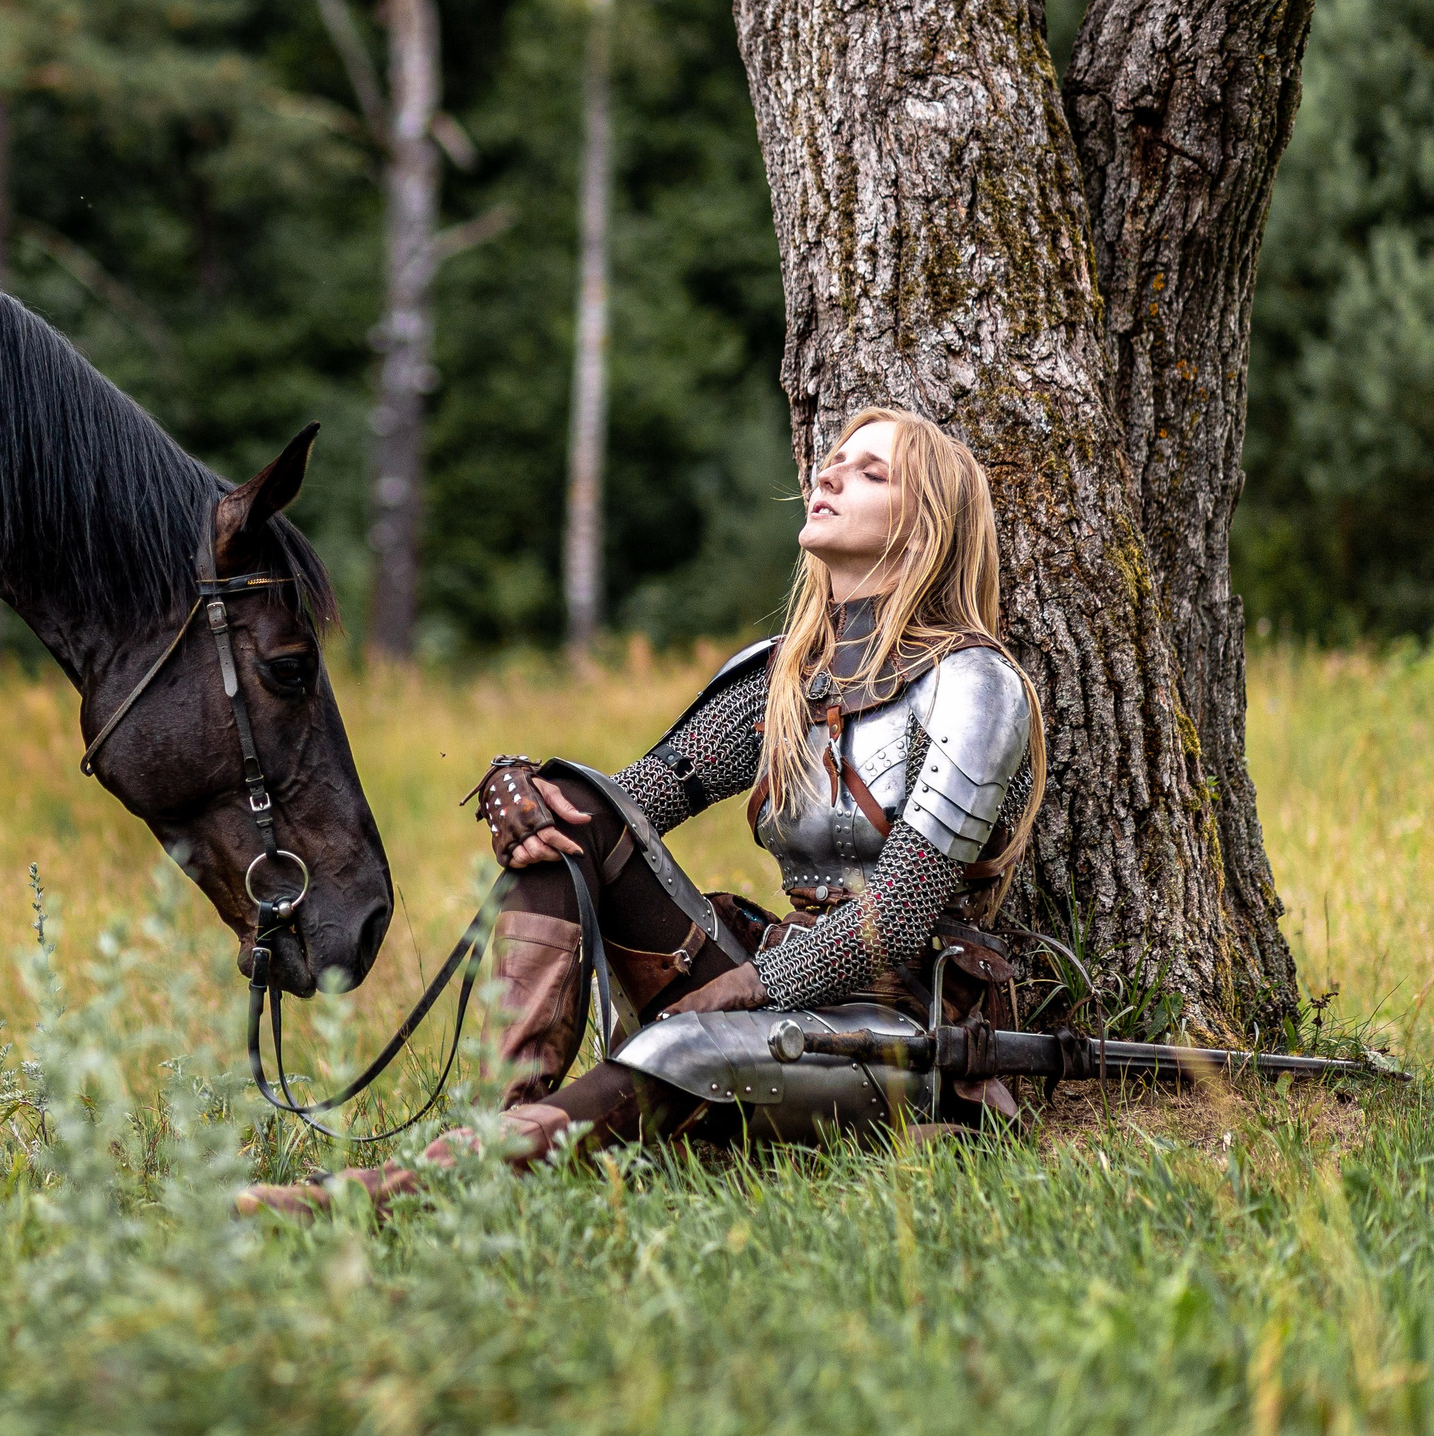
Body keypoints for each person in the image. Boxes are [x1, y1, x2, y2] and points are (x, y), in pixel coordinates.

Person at [239, 407, 1045, 1216]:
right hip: (778, 979)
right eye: (833, 460)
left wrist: (745, 988)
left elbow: (900, 914)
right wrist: (516, 784)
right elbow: (620, 806)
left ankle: (410, 1193)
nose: (828, 475)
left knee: (684, 1043)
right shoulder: (780, 682)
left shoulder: (972, 685)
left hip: (902, 1026)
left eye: (872, 472)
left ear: (925, 523)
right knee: (573, 810)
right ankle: (493, 1130)